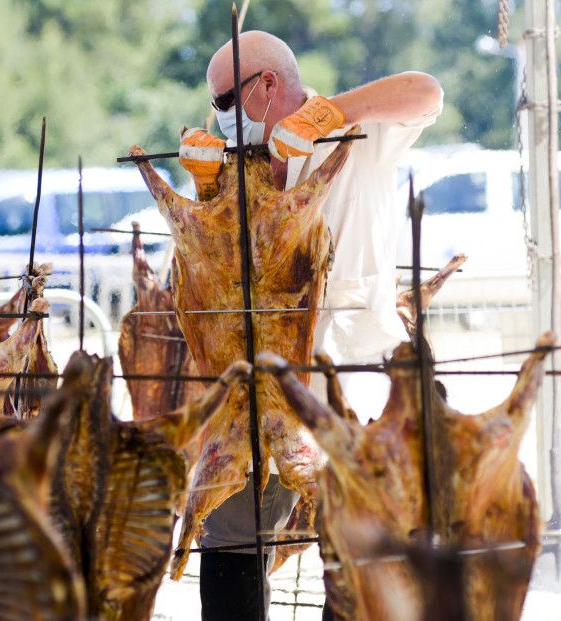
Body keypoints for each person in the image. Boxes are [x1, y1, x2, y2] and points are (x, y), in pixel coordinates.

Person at [178, 30, 443, 620]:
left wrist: (332, 113)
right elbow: (212, 266)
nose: (219, 120)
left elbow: (426, 92)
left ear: (268, 84)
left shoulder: (361, 131)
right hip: (257, 378)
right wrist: (204, 188)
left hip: (353, 368)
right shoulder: (231, 160)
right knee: (229, 539)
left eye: (225, 103)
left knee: (356, 542)